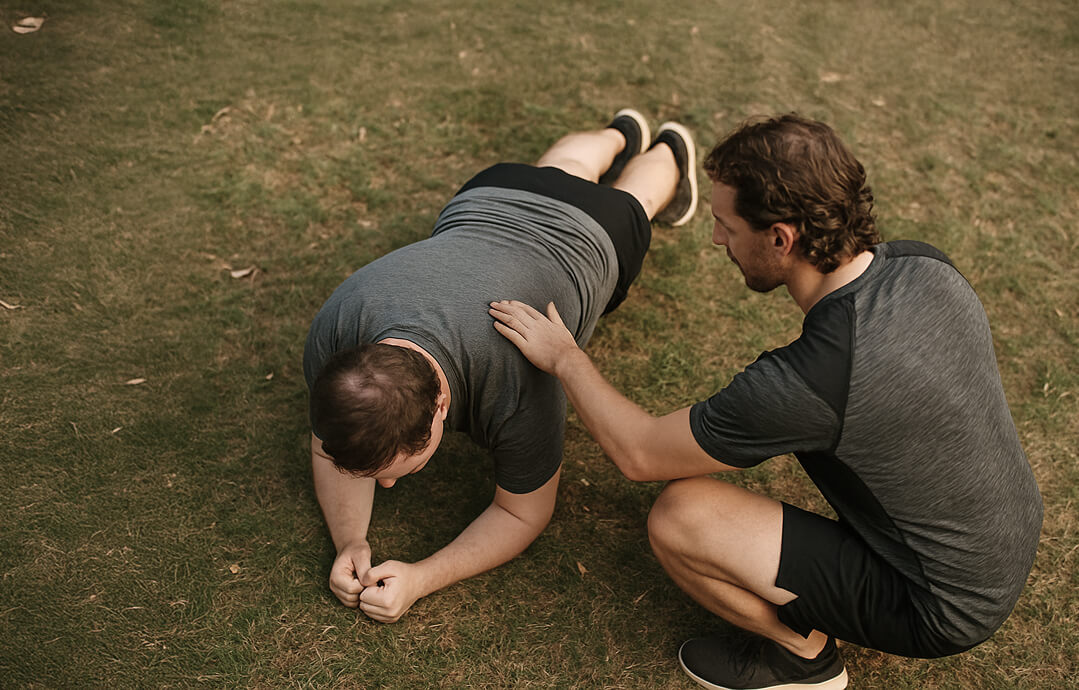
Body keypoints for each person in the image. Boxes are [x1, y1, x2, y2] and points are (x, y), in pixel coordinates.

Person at [490, 114, 1042, 690]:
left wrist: (564, 358)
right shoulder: (923, 265)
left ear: (781, 238)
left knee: (682, 518)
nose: (717, 240)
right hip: (1007, 534)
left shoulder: (810, 380)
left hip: (941, 603)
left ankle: (802, 659)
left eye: (727, 226)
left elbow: (640, 454)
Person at [302, 109, 699, 623]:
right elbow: (326, 443)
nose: (389, 486)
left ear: (441, 404)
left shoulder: (518, 381)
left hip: (594, 228)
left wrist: (424, 577)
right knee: (566, 163)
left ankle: (670, 148)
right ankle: (622, 132)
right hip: (493, 190)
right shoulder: (336, 334)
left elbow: (523, 512)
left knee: (637, 198)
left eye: (402, 468)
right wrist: (349, 539)